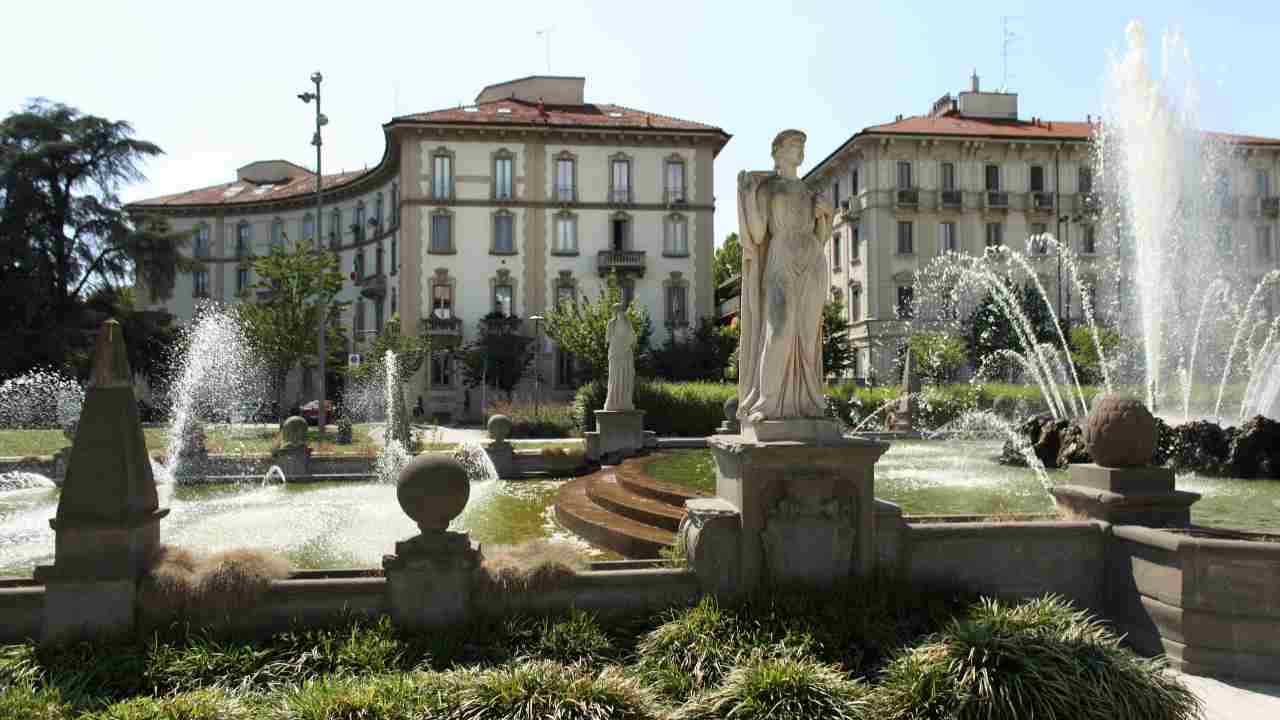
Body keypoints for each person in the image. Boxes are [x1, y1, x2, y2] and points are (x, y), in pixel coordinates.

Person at [736, 129, 833, 423]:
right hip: (780, 257)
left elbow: (823, 237)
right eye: (793, 144)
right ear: (777, 151)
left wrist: (826, 217)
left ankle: (809, 402)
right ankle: (767, 401)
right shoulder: (769, 189)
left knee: (807, 334)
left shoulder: (810, 192)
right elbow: (756, 233)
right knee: (779, 329)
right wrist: (750, 196)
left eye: (802, 144)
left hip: (812, 259)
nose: (799, 148)